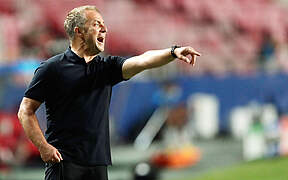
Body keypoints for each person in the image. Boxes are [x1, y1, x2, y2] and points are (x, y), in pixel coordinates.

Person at [17, 5, 201, 180]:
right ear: (78, 31)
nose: (104, 28)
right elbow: (25, 111)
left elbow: (142, 60)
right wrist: (43, 147)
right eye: (96, 24)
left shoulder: (107, 67)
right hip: (64, 162)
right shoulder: (52, 68)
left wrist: (173, 51)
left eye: (104, 24)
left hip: (98, 163)